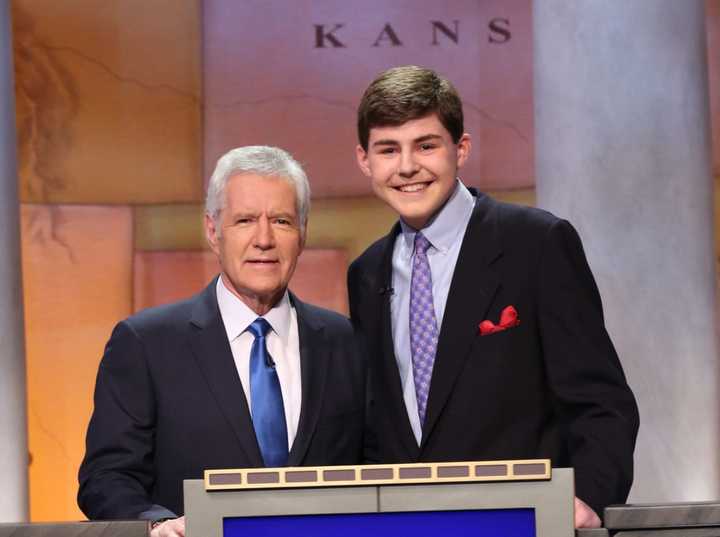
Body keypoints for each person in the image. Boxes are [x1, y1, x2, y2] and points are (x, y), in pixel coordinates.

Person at [347, 65, 639, 528]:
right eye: (388, 149)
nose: (406, 167)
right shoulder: (365, 273)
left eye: (426, 145)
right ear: (365, 160)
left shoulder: (537, 244)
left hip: (523, 522)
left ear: (460, 149)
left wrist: (588, 499)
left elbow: (601, 401)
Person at [79, 146, 367, 537]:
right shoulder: (146, 344)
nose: (263, 239)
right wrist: (157, 524)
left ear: (302, 233)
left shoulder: (344, 342)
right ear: (213, 231)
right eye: (245, 220)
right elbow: (106, 476)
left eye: (281, 220)